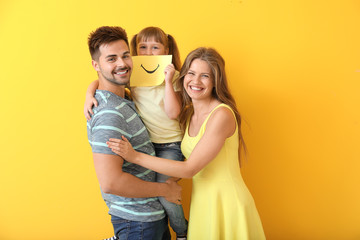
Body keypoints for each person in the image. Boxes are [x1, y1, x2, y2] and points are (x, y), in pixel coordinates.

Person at [107, 47, 266, 239]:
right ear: (183, 77)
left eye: (205, 76)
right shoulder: (189, 114)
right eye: (191, 73)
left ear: (216, 81)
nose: (196, 81)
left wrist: (135, 157)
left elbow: (190, 168)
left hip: (227, 203)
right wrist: (91, 93)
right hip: (202, 204)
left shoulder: (221, 115)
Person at [85, 27, 188, 239]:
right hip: (138, 223)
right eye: (111, 59)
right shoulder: (109, 114)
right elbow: (111, 183)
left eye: (125, 56)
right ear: (96, 65)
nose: (122, 63)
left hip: (152, 217)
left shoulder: (127, 99)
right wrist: (164, 190)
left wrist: (89, 91)